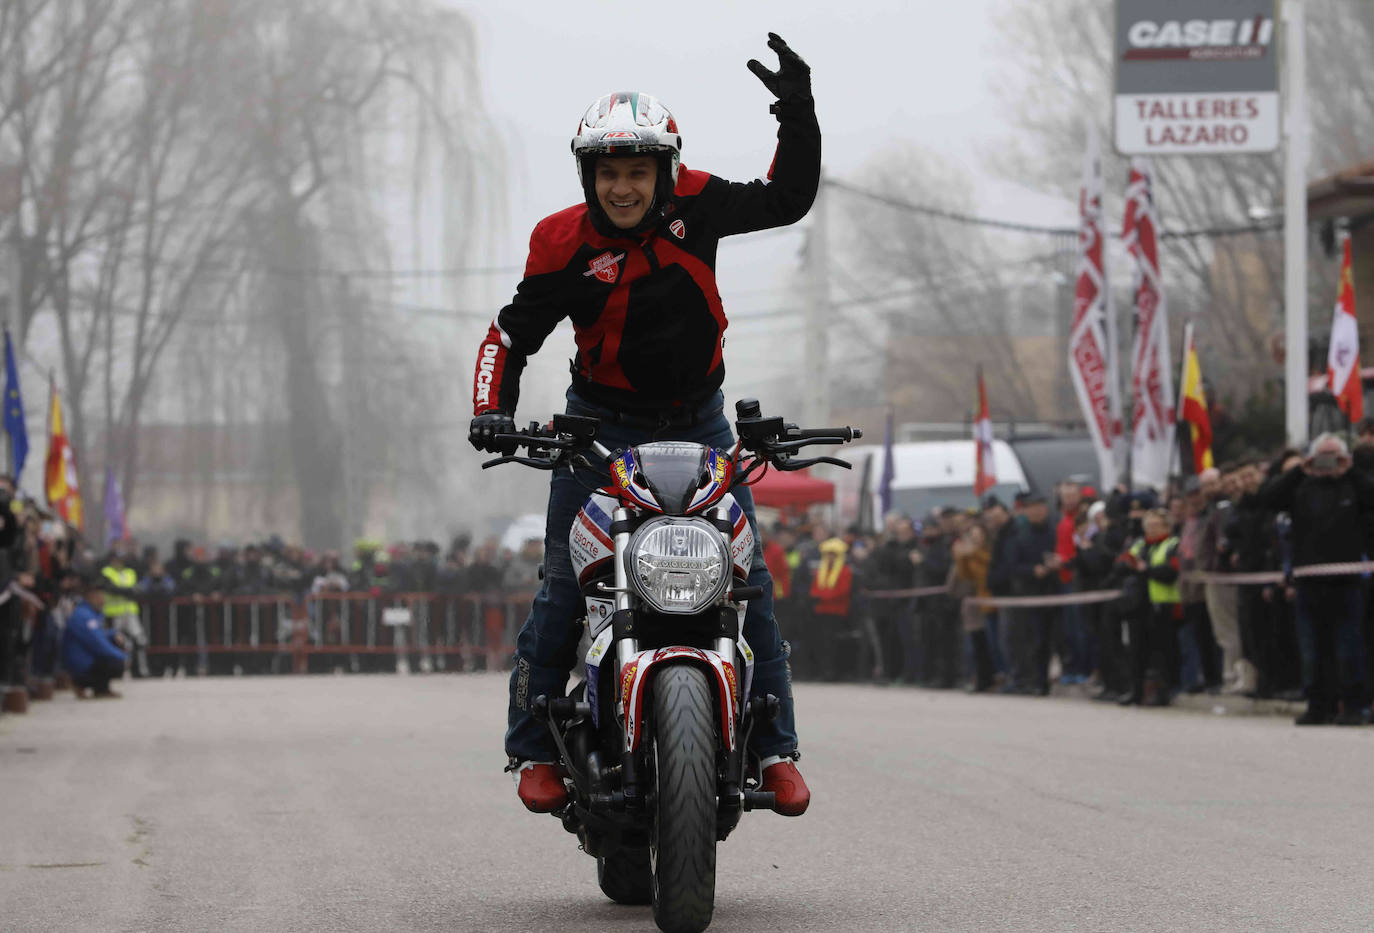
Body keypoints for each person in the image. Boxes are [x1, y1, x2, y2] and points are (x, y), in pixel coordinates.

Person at [468, 34, 819, 816]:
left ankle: (776, 748)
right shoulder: (561, 240)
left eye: (637, 171)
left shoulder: (703, 203)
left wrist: (797, 112)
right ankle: (530, 748)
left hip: (702, 427)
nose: (623, 187)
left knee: (748, 582)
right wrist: (491, 411)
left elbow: (787, 198)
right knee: (565, 584)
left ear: (666, 171)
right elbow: (509, 335)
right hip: (595, 432)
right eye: (607, 172)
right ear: (587, 177)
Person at [1259, 434, 1374, 725]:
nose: (1327, 462)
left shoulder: (1354, 485)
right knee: (1312, 647)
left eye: (1333, 456)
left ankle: (1353, 706)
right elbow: (1267, 499)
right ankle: (1317, 705)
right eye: (1322, 456)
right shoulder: (1301, 486)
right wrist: (1300, 469)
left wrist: (1350, 471)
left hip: (1346, 582)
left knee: (1349, 646)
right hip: (1309, 582)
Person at [61, 573, 127, 698]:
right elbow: (97, 643)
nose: (103, 599)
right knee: (114, 661)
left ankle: (101, 688)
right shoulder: (84, 616)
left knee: (114, 643)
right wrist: (122, 657)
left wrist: (113, 634)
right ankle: (83, 683)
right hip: (80, 664)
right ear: (91, 596)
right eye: (101, 596)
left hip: (87, 658)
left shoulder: (91, 613)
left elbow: (100, 635)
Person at [101, 548, 148, 678]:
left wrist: (126, 591)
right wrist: (128, 591)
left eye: (121, 560)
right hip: (113, 614)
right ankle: (116, 670)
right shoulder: (107, 572)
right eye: (116, 559)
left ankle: (139, 670)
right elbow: (111, 589)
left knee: (139, 640)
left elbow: (138, 590)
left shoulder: (130, 572)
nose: (119, 562)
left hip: (130, 612)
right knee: (116, 641)